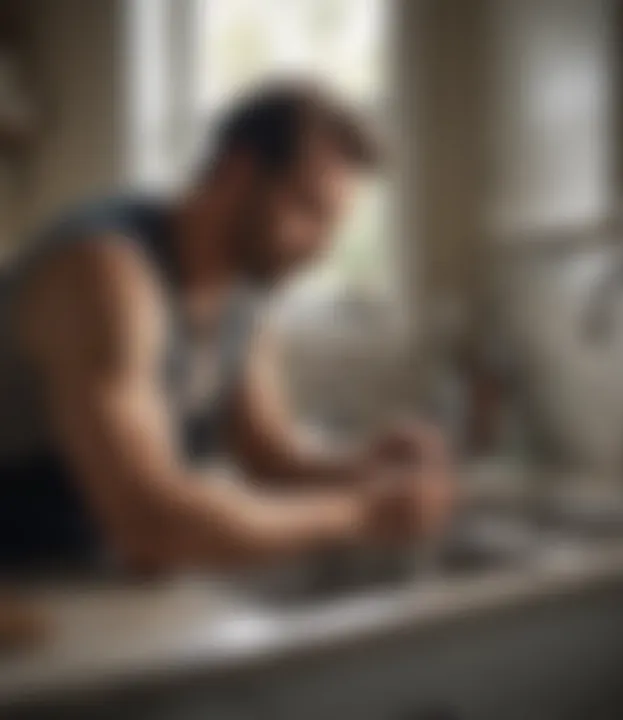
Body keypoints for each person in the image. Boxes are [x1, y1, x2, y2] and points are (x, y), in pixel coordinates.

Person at [0, 80, 454, 571]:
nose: (320, 251)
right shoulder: (106, 275)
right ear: (238, 172)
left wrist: (368, 471)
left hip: (81, 579)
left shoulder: (242, 294)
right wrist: (362, 514)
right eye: (308, 211)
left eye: (332, 227)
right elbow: (150, 523)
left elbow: (271, 462)